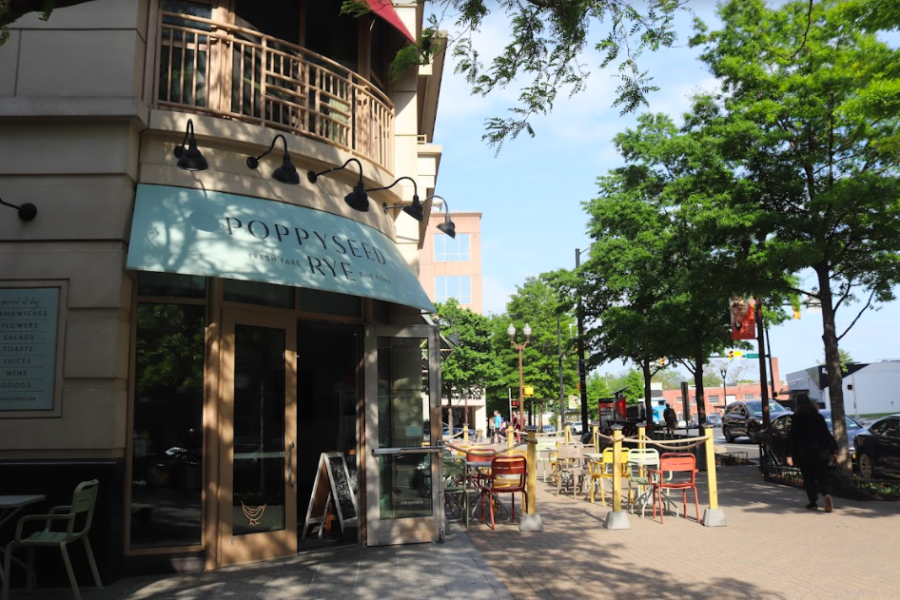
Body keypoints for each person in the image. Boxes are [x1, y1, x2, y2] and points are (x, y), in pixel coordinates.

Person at [786, 393, 838, 512]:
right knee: (823, 475)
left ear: (797, 404)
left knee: (808, 477)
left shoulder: (796, 419)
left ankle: (813, 502)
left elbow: (792, 438)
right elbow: (826, 434)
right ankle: (826, 494)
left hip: (804, 452)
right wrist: (832, 450)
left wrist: (789, 454)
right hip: (821, 451)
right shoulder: (818, 417)